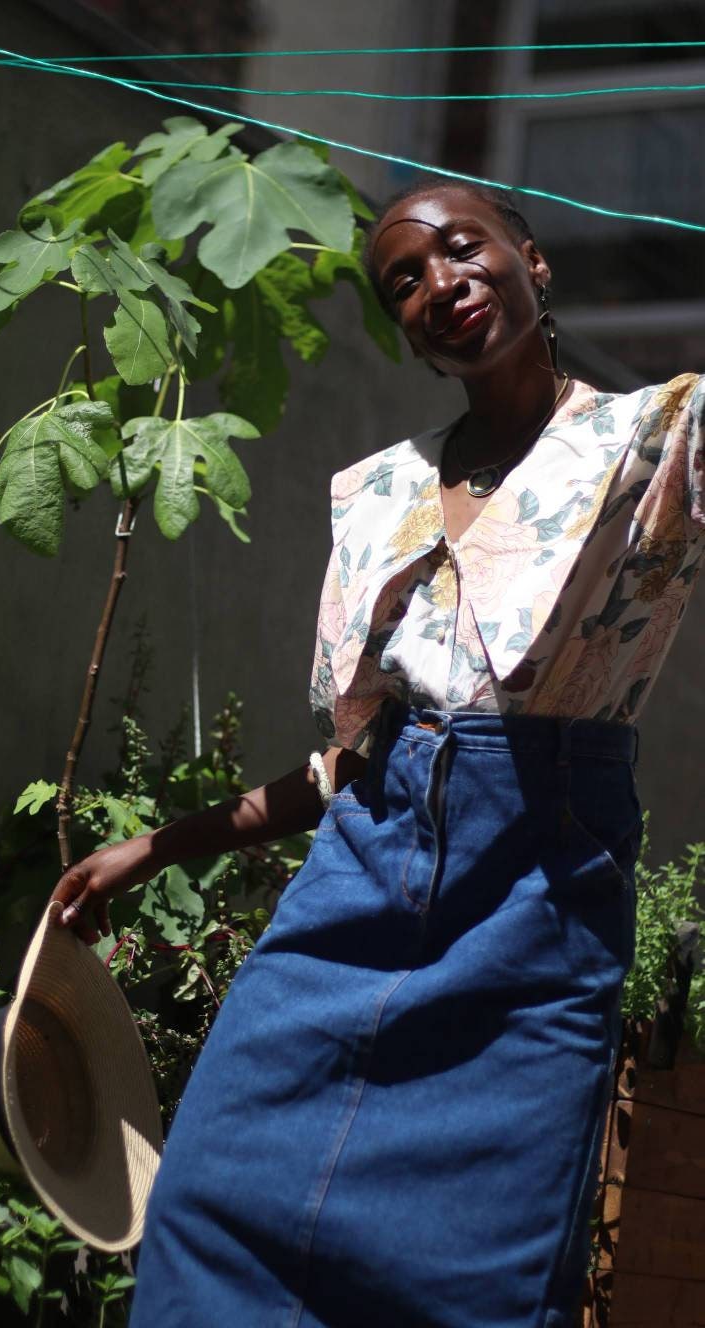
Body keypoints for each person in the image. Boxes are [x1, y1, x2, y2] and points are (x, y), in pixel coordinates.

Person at [51, 180, 704, 1327]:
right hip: (347, 909)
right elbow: (358, 764)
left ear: (530, 259)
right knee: (208, 1203)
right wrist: (153, 846)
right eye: (404, 277)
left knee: (476, 1277)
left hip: (532, 923)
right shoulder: (379, 493)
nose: (439, 283)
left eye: (462, 249)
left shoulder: (655, 442)